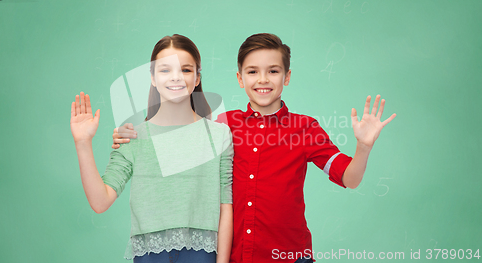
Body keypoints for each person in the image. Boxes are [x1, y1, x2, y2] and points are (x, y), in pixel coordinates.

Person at [112, 33, 396, 263]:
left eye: (273, 71)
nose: (263, 79)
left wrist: (363, 147)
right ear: (240, 78)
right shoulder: (224, 125)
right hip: (237, 256)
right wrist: (130, 135)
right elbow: (173, 144)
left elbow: (349, 178)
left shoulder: (305, 128)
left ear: (286, 77)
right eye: (253, 71)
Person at [70, 34, 233, 263]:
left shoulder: (219, 136)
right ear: (153, 78)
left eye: (186, 70)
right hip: (149, 256)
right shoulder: (133, 137)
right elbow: (100, 202)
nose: (176, 77)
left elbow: (226, 207)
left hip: (202, 255)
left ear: (197, 78)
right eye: (165, 70)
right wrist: (83, 143)